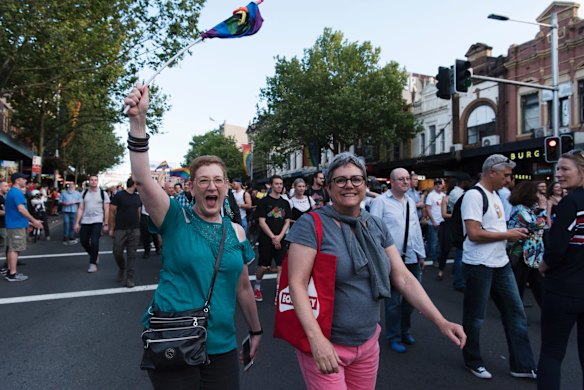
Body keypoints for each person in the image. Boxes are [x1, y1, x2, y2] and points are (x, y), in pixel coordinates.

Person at [286, 153, 465, 389]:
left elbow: (402, 277)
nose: (349, 185)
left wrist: (441, 322)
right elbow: (296, 284)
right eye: (340, 180)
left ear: (364, 184)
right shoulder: (311, 224)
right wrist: (316, 339)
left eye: (356, 179)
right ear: (329, 187)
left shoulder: (375, 225)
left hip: (368, 342)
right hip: (327, 343)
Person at [124, 83, 262, 389]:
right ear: (192, 188)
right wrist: (138, 121)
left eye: (217, 180)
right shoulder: (175, 218)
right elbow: (144, 180)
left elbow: (242, 288)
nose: (211, 186)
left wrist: (256, 331)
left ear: (226, 186)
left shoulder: (236, 232)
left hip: (221, 346)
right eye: (203, 181)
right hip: (174, 337)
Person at [460, 154, 536, 380]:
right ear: (491, 171)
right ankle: (472, 360)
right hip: (479, 265)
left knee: (516, 313)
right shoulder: (474, 196)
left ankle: (522, 365)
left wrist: (508, 236)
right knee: (475, 317)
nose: (509, 180)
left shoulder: (495, 195)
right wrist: (508, 234)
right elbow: (473, 233)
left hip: (500, 263)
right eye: (506, 175)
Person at [537, 149, 584, 390]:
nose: (558, 174)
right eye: (557, 169)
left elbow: (556, 249)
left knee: (552, 354)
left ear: (582, 172)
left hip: (563, 290)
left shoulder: (570, 203)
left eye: (565, 169)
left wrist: (543, 267)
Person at [370, 168, 426, 354]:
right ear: (391, 182)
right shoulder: (381, 202)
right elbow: (374, 231)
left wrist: (420, 254)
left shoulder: (410, 202)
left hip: (410, 257)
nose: (405, 182)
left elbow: (416, 229)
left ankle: (405, 330)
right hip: (392, 259)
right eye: (401, 179)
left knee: (411, 300)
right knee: (393, 302)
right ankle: (393, 336)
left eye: (407, 179)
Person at [507, 181, 546, 307]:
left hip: (531, 253)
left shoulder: (529, 208)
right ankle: (515, 313)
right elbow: (535, 224)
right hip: (522, 252)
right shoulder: (519, 209)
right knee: (519, 283)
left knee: (537, 283)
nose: (539, 196)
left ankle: (547, 310)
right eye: (536, 192)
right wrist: (543, 208)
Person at [253, 174, 291, 302]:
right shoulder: (264, 201)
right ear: (270, 185)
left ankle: (278, 292)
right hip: (266, 239)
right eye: (276, 183)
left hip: (281, 239)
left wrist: (280, 237)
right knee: (264, 266)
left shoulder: (285, 203)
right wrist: (273, 237)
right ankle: (257, 286)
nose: (279, 186)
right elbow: (262, 221)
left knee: (281, 266)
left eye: (281, 184)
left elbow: (287, 221)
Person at [4, 173, 44, 281]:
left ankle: (10, 270)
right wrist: (34, 220)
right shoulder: (16, 192)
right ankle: (12, 273)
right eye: (24, 179)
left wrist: (28, 222)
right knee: (15, 249)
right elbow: (21, 209)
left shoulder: (12, 192)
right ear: (17, 181)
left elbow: (15, 211)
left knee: (13, 248)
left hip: (15, 224)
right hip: (16, 225)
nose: (26, 181)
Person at [74, 175, 111, 273]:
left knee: (95, 241)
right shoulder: (84, 193)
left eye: (95, 180)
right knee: (83, 241)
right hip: (85, 220)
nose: (93, 182)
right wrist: (77, 223)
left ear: (98, 181)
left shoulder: (103, 194)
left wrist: (106, 223)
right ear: (89, 181)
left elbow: (107, 209)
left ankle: (93, 263)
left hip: (97, 220)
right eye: (91, 180)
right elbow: (81, 208)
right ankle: (94, 254)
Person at [109, 178, 141, 288]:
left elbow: (139, 212)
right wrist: (111, 228)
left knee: (132, 254)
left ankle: (129, 278)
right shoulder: (119, 195)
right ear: (134, 184)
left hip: (134, 229)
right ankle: (121, 267)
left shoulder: (138, 197)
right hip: (120, 228)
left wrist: (138, 226)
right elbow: (112, 212)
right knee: (117, 251)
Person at [436, 176, 469, 283]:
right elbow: (444, 214)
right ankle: (442, 271)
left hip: (454, 225)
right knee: (447, 250)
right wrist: (456, 215)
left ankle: (453, 272)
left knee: (455, 250)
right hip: (449, 225)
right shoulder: (446, 198)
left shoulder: (449, 197)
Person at [425, 178, 445, 265]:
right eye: (437, 184)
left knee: (440, 242)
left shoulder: (443, 195)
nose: (439, 185)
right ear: (434, 185)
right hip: (434, 222)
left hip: (442, 221)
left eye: (440, 184)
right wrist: (433, 221)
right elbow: (428, 209)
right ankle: (434, 260)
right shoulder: (431, 195)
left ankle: (437, 257)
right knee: (434, 242)